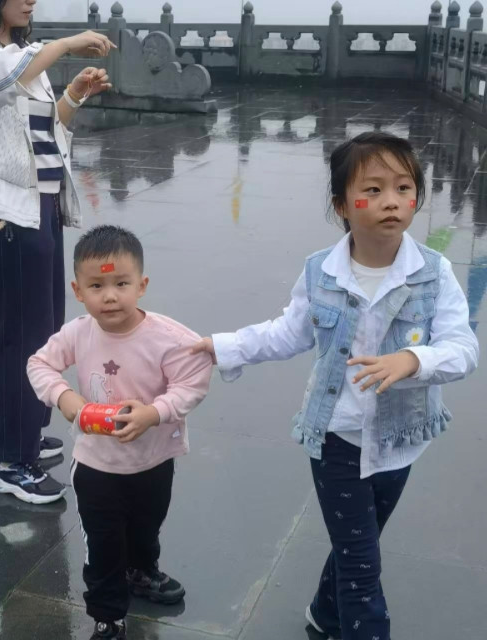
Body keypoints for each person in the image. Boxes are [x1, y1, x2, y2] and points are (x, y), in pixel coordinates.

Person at [192, 132, 479, 640]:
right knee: (363, 567)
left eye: (404, 188)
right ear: (343, 204)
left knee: (357, 546)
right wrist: (223, 346)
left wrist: (413, 360)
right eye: (373, 189)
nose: (391, 201)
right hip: (337, 440)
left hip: (399, 440)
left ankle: (325, 615)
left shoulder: (435, 274)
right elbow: (288, 332)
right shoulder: (321, 272)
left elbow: (463, 348)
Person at [0, 0, 114, 504]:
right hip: (5, 216)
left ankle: (11, 436)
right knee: (19, 337)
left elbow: (43, 129)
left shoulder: (18, 52)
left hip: (38, 206)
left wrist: (73, 95)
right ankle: (12, 461)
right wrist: (64, 44)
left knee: (40, 330)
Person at [27, 226, 213, 640]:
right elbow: (39, 363)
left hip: (153, 460)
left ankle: (142, 571)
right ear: (78, 291)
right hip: (97, 466)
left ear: (141, 285)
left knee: (147, 526)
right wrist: (65, 398)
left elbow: (194, 379)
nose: (110, 296)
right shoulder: (78, 332)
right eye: (97, 286)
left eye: (121, 284)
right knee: (104, 543)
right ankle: (108, 616)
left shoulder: (167, 337)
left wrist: (156, 412)